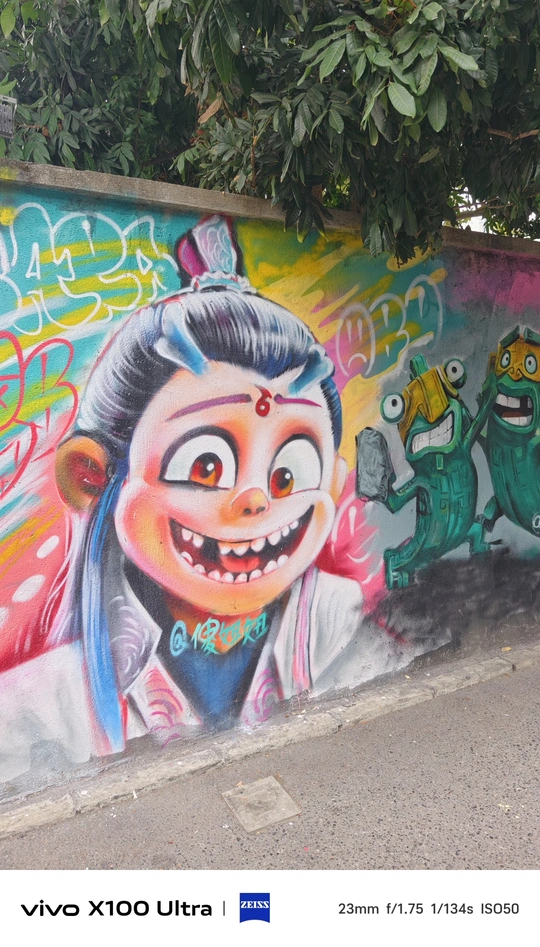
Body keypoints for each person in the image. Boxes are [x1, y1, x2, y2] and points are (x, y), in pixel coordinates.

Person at [5, 215, 413, 775]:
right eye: (205, 465)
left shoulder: (339, 624)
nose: (256, 501)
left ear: (333, 485)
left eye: (289, 475)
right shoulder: (36, 715)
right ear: (91, 478)